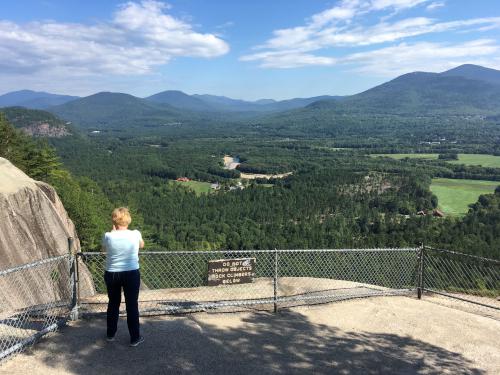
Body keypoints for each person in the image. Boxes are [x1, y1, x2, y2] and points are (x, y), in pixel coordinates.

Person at [102, 207, 145, 347]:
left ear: (114, 220)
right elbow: (142, 245)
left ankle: (110, 334)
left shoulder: (108, 235)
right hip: (131, 272)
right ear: (128, 220)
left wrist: (112, 232)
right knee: (132, 305)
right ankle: (135, 338)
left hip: (112, 273)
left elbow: (104, 249)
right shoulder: (135, 234)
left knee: (113, 304)